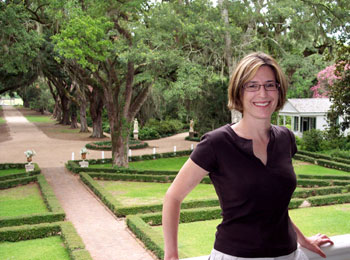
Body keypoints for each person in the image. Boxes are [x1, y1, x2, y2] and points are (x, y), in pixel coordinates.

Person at [162, 52, 333, 260]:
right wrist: (171, 256)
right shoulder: (216, 143)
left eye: (270, 85)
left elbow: (274, 206)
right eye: (252, 86)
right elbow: (173, 197)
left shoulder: (285, 139)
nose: (262, 93)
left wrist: (303, 240)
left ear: (279, 91)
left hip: (289, 255)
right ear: (239, 92)